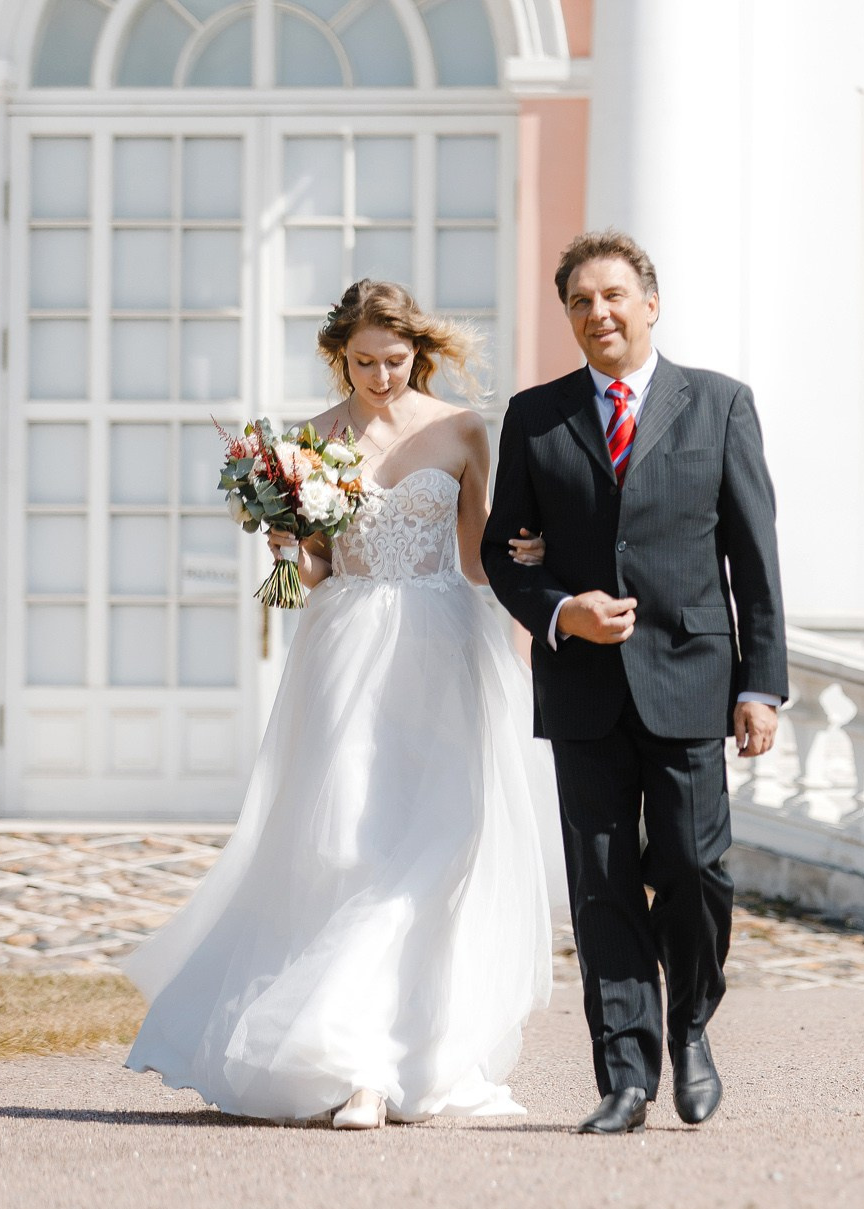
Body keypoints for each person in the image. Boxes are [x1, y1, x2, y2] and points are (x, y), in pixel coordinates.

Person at [123, 280, 554, 1130]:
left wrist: (528, 551)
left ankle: (401, 1057)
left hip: (443, 645)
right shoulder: (310, 442)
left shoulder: (463, 429)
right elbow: (312, 574)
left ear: (417, 353)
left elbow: (474, 562)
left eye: (395, 362)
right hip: (348, 647)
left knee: (438, 843)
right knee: (349, 841)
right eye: (364, 363)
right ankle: (357, 1066)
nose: (381, 377)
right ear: (338, 357)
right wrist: (287, 545)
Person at [482, 231, 787, 1136]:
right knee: (602, 884)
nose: (598, 314)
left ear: (650, 303)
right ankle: (624, 1074)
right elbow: (504, 550)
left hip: (692, 677)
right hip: (582, 686)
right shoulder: (534, 418)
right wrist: (559, 609)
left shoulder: (720, 406)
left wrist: (761, 684)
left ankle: (691, 1024)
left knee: (694, 869)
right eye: (579, 302)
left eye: (613, 296)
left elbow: (754, 557)